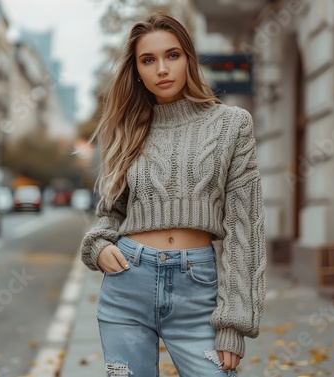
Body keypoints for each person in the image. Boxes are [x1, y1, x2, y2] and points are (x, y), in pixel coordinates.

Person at [80, 11, 266, 377]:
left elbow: (245, 228)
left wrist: (234, 324)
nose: (161, 69)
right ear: (136, 70)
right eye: (148, 60)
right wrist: (98, 246)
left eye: (172, 55)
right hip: (127, 286)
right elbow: (111, 215)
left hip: (197, 291)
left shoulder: (232, 124)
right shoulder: (126, 129)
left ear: (189, 60)